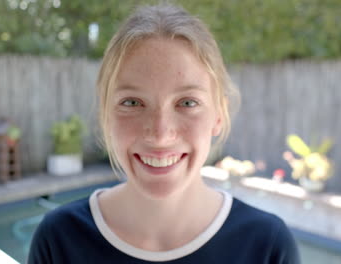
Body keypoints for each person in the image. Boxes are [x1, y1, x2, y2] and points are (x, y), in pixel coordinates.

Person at [28, 4, 300, 264]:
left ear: (218, 115)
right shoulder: (59, 239)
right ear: (105, 114)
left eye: (187, 103)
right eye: (133, 103)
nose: (159, 134)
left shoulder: (267, 246)